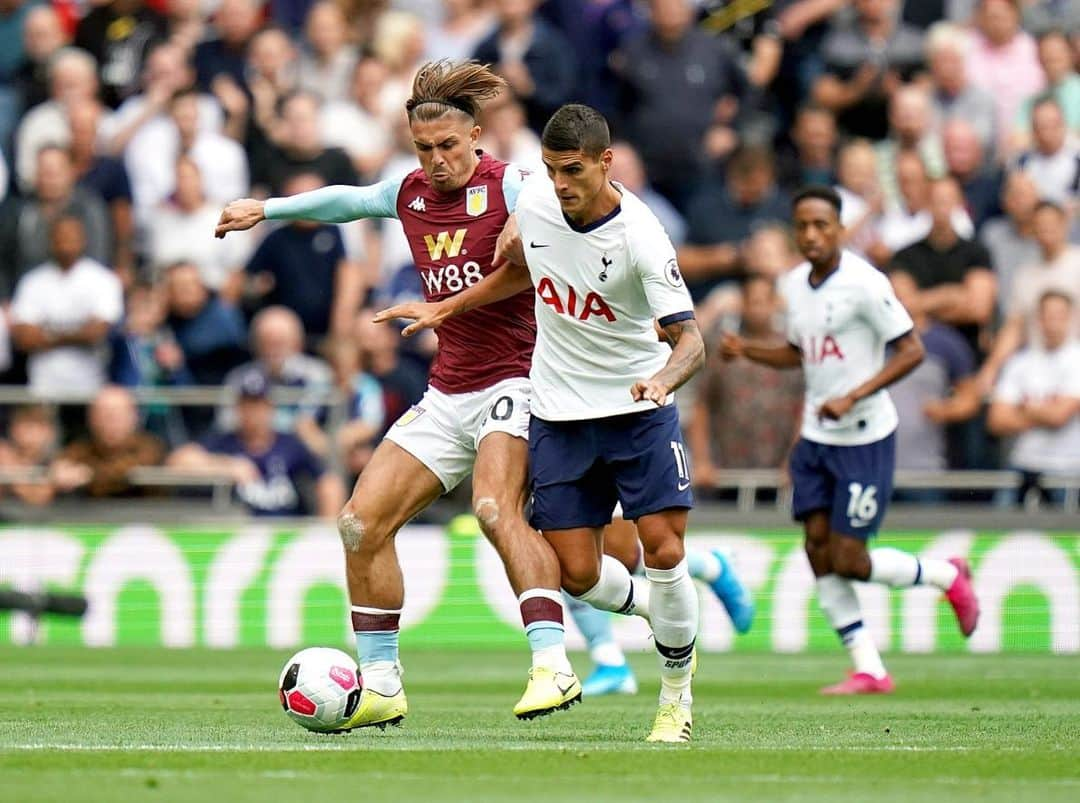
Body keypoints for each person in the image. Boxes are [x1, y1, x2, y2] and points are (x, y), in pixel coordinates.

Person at [215, 61, 580, 728]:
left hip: (520, 377)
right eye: (424, 148)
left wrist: (530, 226)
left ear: (476, 136)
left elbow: (565, 217)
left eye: (448, 146)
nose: (436, 161)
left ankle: (553, 664)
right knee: (359, 520)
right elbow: (347, 199)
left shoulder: (517, 186)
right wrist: (265, 209)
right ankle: (381, 682)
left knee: (496, 507)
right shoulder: (409, 193)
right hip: (449, 388)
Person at [378, 104, 707, 743]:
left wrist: (662, 380)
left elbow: (690, 340)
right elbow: (517, 273)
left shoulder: (641, 235)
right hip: (558, 412)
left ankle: (676, 698)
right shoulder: (534, 199)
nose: (560, 183)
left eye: (573, 171)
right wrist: (447, 309)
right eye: (553, 169)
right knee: (576, 572)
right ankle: (663, 615)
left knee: (663, 551)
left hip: (637, 412)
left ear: (605, 163)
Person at [720, 186, 979, 694]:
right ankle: (869, 668)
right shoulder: (793, 285)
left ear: (840, 229)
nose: (813, 235)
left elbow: (911, 350)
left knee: (850, 560)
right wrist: (747, 349)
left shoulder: (865, 283)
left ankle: (946, 575)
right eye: (804, 226)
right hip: (817, 437)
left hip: (864, 437)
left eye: (822, 225)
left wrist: (855, 395)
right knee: (817, 548)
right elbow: (801, 352)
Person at [167, 369, 345, 517]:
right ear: (237, 408)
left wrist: (325, 531)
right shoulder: (224, 441)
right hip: (241, 531)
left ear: (270, 407)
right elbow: (179, 460)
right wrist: (227, 466)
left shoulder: (290, 444)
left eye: (258, 405)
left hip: (287, 533)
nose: (253, 413)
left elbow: (328, 482)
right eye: (247, 405)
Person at [987, 291, 1080, 506]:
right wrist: (1045, 410)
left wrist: (1023, 407)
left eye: (1059, 315)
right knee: (999, 529)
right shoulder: (1020, 362)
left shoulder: (1076, 360)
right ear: (1038, 319)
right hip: (1024, 462)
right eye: (1048, 315)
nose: (1053, 323)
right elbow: (997, 420)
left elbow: (1059, 417)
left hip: (1067, 467)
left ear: (1070, 318)